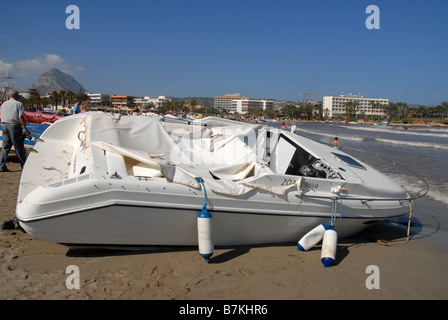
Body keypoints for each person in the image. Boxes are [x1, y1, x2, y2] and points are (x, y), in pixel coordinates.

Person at [0, 89, 31, 171]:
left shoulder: (3, 104)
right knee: (18, 147)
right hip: (14, 126)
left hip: (4, 125)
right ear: (16, 96)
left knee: (5, 147)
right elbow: (20, 117)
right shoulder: (18, 104)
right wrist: (25, 128)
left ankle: (1, 165)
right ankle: (24, 166)